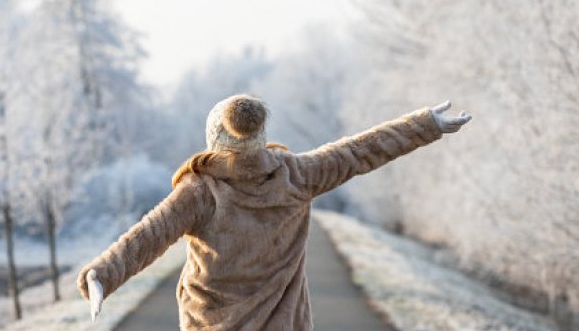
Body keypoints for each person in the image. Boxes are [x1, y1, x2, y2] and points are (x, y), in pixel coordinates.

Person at [77, 94, 472, 330]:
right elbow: (361, 151)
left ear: (214, 138)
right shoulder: (298, 175)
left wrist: (103, 274)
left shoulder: (199, 189)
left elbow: (149, 235)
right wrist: (425, 124)